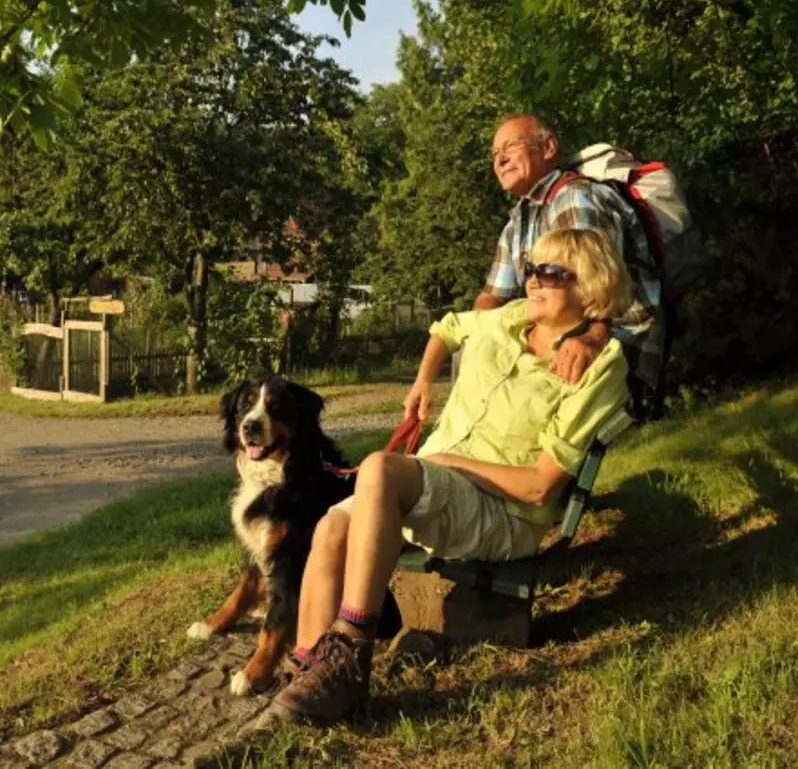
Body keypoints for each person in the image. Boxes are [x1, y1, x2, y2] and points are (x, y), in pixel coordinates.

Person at [265, 227, 633, 726]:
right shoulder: (508, 319)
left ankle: (350, 654)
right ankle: (311, 670)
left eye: (551, 272)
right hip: (432, 486)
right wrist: (422, 380)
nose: (532, 280)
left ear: (591, 287)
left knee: (379, 470)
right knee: (332, 528)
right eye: (530, 268)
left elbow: (540, 486)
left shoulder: (598, 364)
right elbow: (447, 326)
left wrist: (447, 463)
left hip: (501, 512)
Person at [479, 113, 664, 407]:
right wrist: (478, 337)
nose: (499, 160)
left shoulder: (576, 199)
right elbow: (492, 297)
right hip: (559, 357)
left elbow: (603, 292)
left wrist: (592, 339)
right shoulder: (517, 224)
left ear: (549, 147)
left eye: (510, 146)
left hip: (614, 355)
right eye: (494, 153)